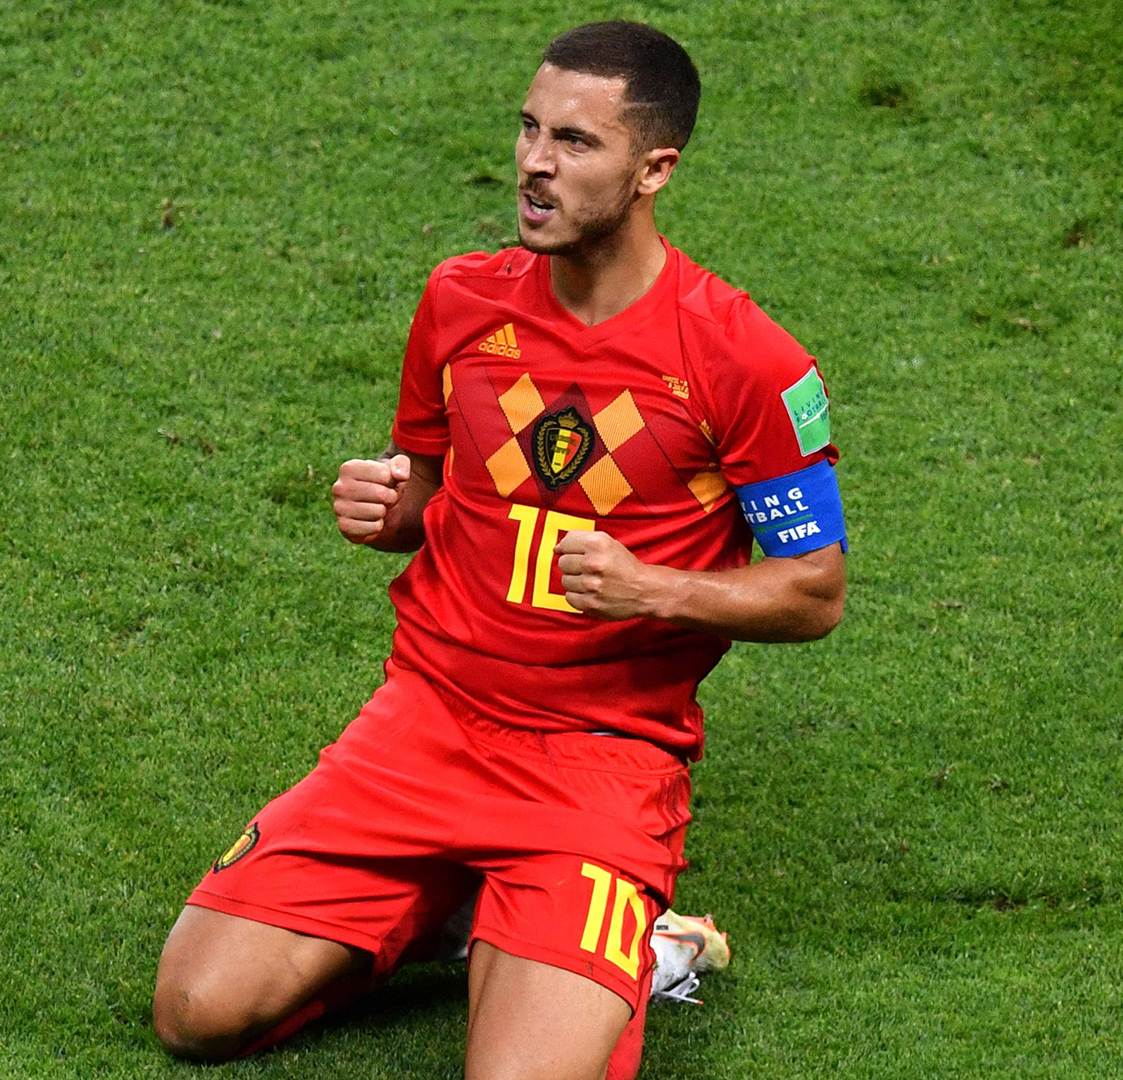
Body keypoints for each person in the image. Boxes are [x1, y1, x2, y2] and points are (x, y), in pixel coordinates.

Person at [153, 20, 846, 1080]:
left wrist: (651, 588)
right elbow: (424, 500)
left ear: (654, 168)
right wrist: (383, 507)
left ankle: (631, 947)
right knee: (195, 1011)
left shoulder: (746, 359)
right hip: (422, 727)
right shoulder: (460, 301)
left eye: (575, 141)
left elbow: (813, 594)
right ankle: (473, 908)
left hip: (600, 765)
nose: (532, 161)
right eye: (529, 129)